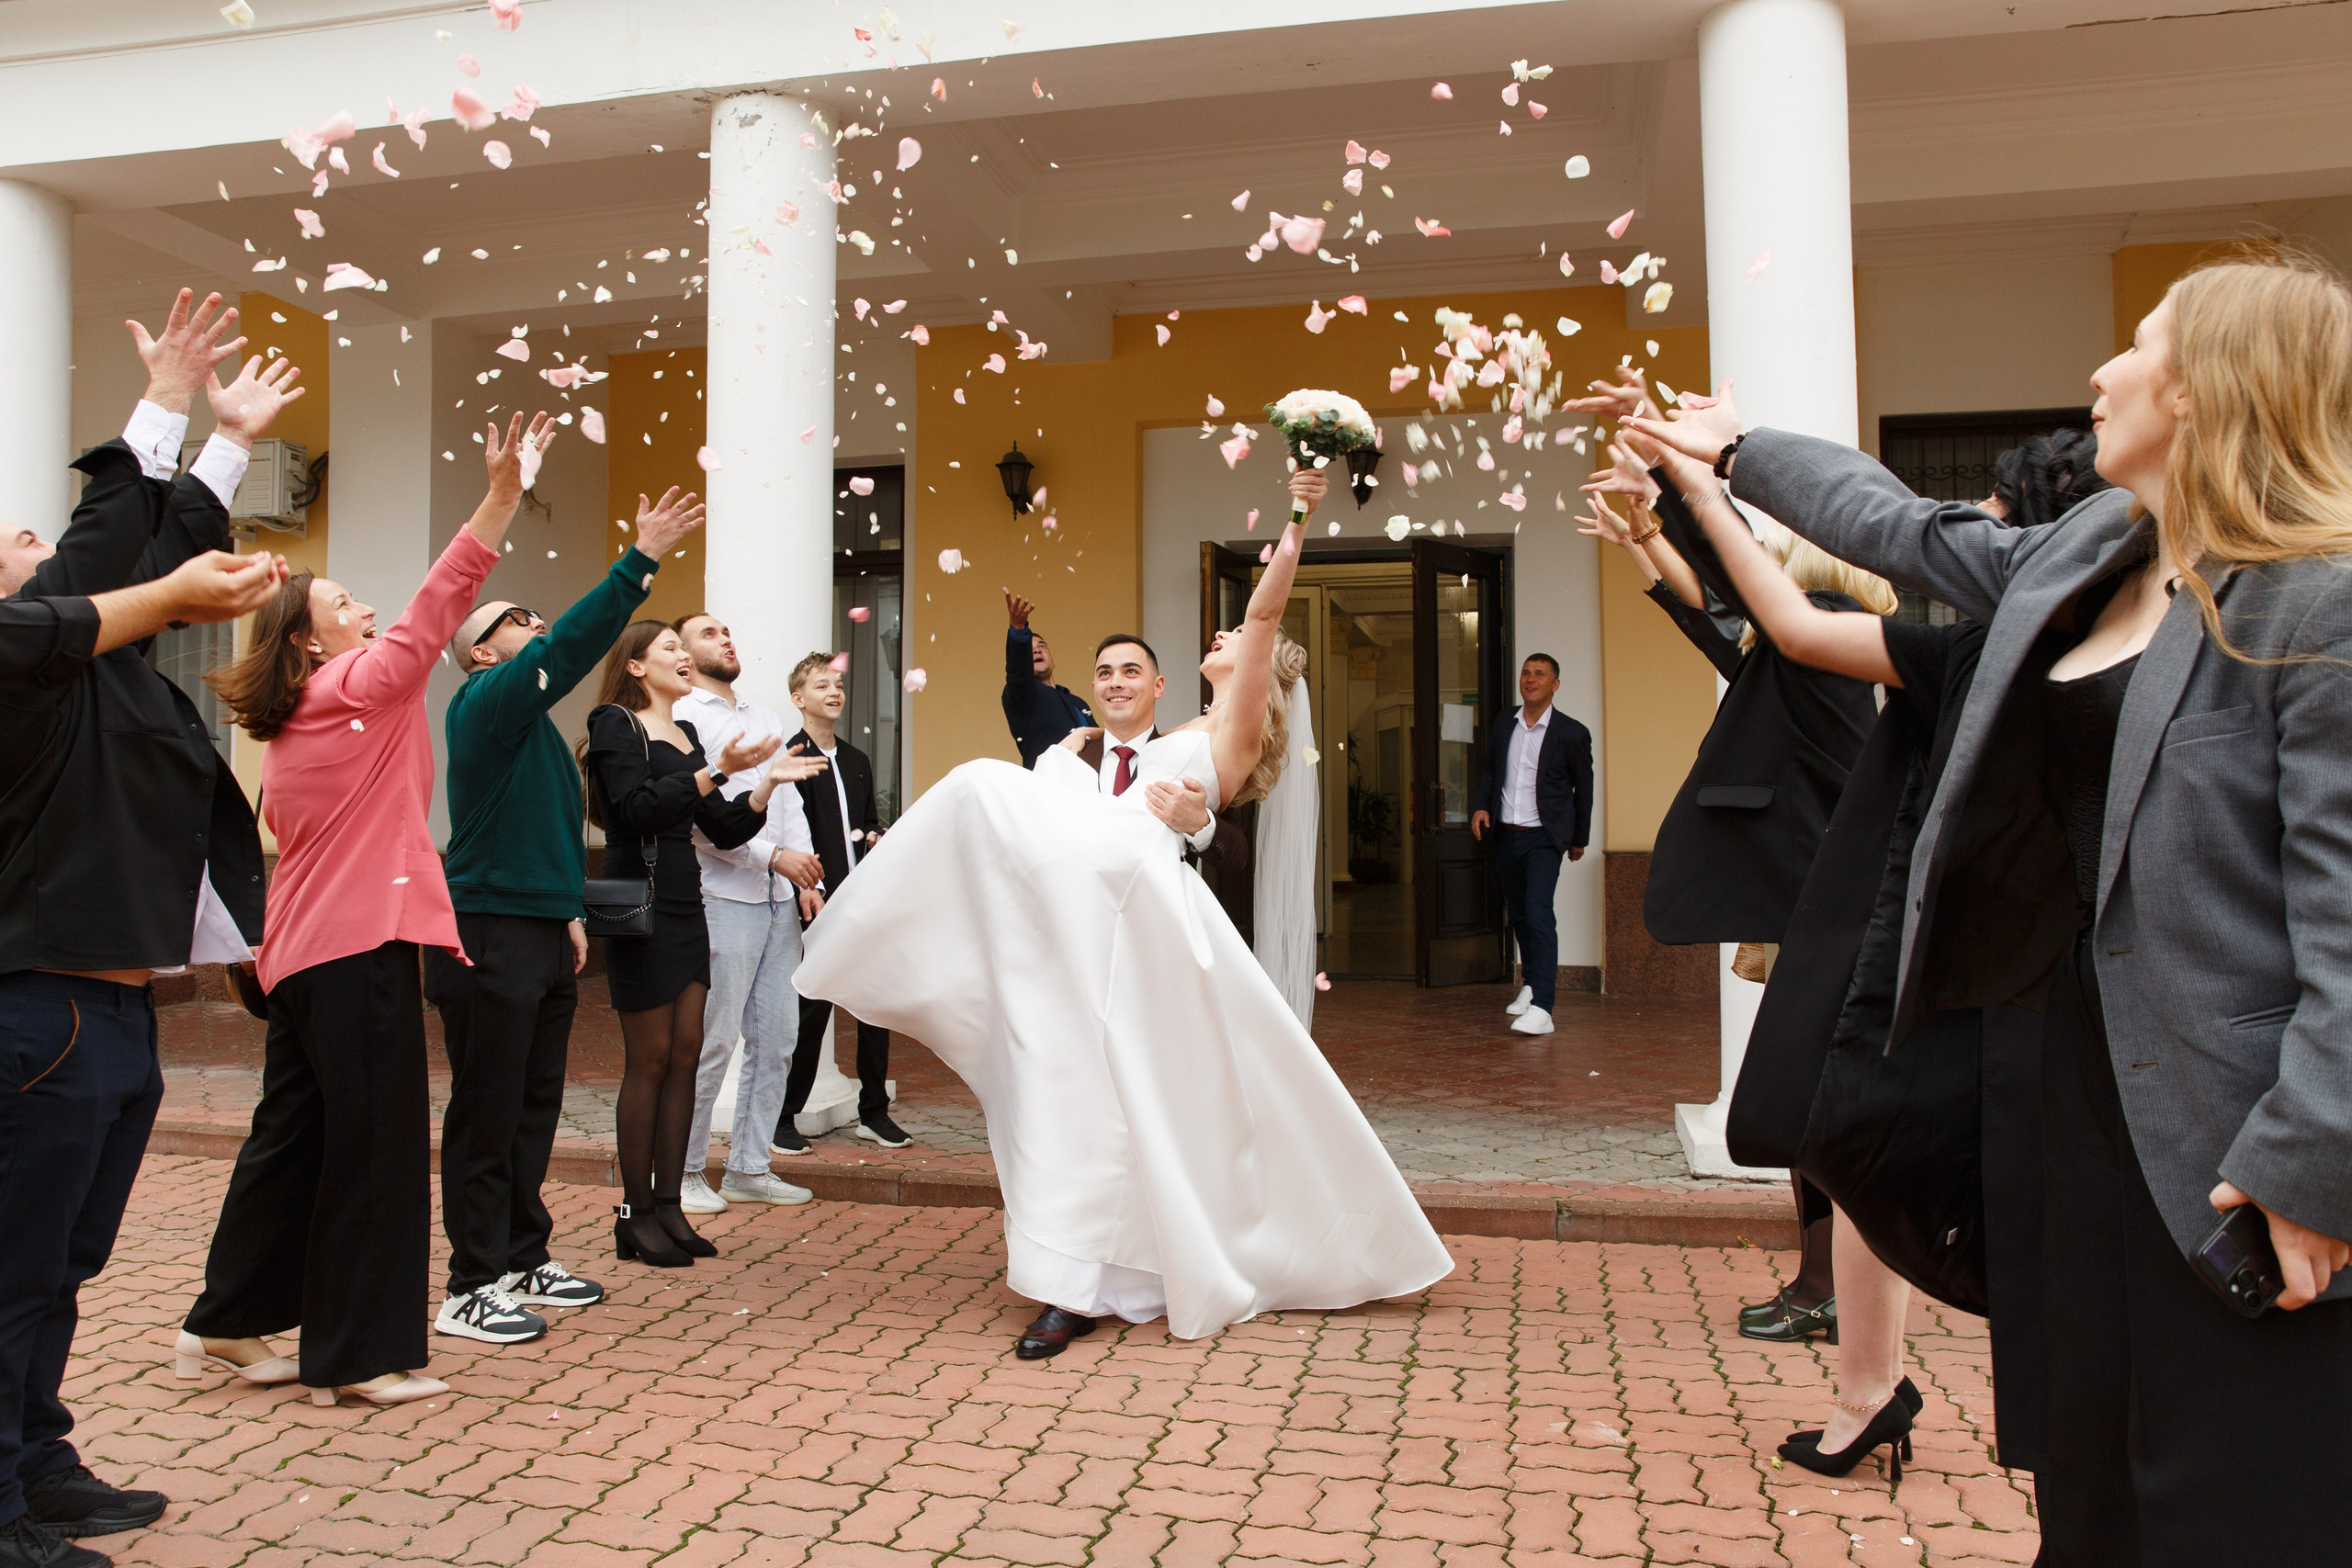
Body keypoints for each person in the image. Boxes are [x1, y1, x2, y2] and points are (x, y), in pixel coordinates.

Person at [1631, 256, 2352, 1561]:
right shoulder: (2086, 550)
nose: (2103, 372)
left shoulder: (2317, 601)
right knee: (2084, 1453)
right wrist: (1734, 449)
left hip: (2228, 1120)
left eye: (2138, 347)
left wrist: (2316, 1159)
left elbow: (2348, 922)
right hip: (2060, 1084)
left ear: (2207, 390)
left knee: (2234, 1477)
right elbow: (1894, 527)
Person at [798, 466, 1451, 1361]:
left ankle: (1093, 1281)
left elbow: (1259, 619)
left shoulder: (1236, 721)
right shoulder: (1164, 726)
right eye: (1109, 674)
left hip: (1142, 926)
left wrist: (1297, 512)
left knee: (986, 797)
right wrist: (1070, 755)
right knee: (1075, 1084)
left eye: (1227, 637)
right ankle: (1084, 1274)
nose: (1223, 634)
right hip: (1085, 912)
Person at [1, 288, 292, 1568]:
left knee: (58, 1261)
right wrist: (161, 402)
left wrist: (219, 444)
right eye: (9, 536)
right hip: (35, 1004)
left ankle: (37, 1459)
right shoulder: (20, 657)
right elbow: (109, 564)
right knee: (11, 1268)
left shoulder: (91, 667)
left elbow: (151, 568)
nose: (30, 536)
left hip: (115, 1007)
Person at [185, 411, 553, 1413]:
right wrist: (499, 499)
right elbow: (439, 610)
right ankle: (352, 1357)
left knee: (295, 1137)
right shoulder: (352, 686)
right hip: (359, 950)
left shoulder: (292, 721)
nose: (367, 611)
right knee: (379, 1149)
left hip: (300, 959)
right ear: (309, 636)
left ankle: (225, 1322)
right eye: (346, 603)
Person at [424, 485, 709, 1347]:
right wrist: (639, 559)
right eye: (516, 619)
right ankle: (470, 1282)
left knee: (532, 1101)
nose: (536, 624)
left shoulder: (532, 731)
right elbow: (572, 645)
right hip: (486, 929)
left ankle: (519, 1253)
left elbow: (544, 835)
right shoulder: (488, 704)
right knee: (486, 1106)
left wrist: (567, 915)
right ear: (479, 654)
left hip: (540, 926)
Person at [581, 622, 822, 1268]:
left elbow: (719, 822)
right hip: (645, 902)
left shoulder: (683, 735)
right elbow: (633, 809)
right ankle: (634, 1213)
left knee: (686, 1054)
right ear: (635, 667)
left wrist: (766, 784)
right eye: (670, 649)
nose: (683, 657)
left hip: (689, 905)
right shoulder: (614, 723)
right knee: (651, 1059)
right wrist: (718, 769)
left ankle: (669, 1207)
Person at [669, 612, 825, 1208]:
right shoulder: (685, 721)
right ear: (682, 655)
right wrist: (772, 857)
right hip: (722, 897)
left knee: (777, 1037)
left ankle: (749, 1166)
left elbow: (786, 799)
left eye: (727, 631)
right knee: (712, 1040)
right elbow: (698, 820)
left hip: (779, 902)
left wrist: (803, 869)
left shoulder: (763, 717)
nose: (725, 638)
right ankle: (683, 1170)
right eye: (708, 633)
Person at [779, 657, 909, 1151]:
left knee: (874, 1006)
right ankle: (784, 1116)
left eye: (838, 684)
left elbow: (868, 820)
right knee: (810, 1012)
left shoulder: (856, 760)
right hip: (815, 905)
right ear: (799, 698)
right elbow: (789, 830)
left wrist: (876, 836)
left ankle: (873, 1112)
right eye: (821, 685)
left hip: (861, 902)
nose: (834, 691)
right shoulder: (791, 756)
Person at [1466, 655, 1596, 1038]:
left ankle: (1544, 1007)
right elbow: (1491, 770)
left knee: (1539, 913)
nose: (1531, 679)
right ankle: (1531, 983)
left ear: (1555, 685)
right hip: (1507, 833)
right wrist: (1480, 806)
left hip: (1543, 837)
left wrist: (1578, 839)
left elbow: (1583, 791)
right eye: (1526, 672)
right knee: (1520, 914)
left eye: (1540, 674)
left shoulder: (1571, 733)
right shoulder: (1505, 723)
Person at [1001, 589, 1095, 767]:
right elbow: (1018, 673)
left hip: (1088, 785)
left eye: (1042, 646)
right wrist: (1019, 631)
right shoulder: (1021, 696)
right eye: (1029, 649)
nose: (1036, 650)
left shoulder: (1078, 703)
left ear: (1053, 661)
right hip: (1048, 785)